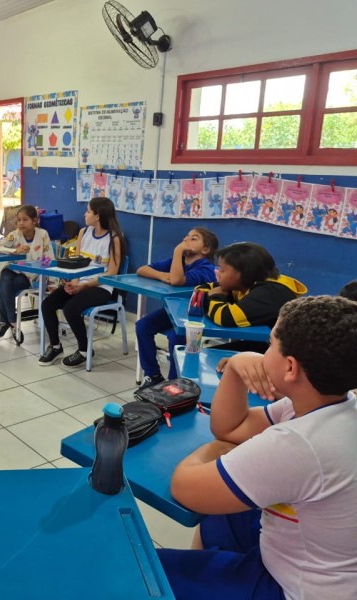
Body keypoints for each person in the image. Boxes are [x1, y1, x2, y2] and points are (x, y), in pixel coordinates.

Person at [157, 296, 357, 600]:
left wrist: (218, 452)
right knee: (221, 514)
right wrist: (236, 369)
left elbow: (184, 487)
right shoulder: (330, 404)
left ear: (290, 367)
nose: (264, 353)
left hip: (293, 589)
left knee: (148, 570)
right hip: (311, 553)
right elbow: (229, 428)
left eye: (271, 343)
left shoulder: (300, 444)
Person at [38, 197, 126, 367]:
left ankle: (85, 351)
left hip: (101, 286)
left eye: (88, 211)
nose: (85, 215)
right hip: (80, 282)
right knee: (48, 304)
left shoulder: (114, 238)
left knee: (71, 309)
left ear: (98, 216)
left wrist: (84, 285)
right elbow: (77, 264)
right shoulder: (83, 233)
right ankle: (55, 346)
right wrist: (73, 283)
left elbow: (111, 274)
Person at [135, 228, 219, 388]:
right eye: (186, 236)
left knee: (176, 338)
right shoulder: (178, 262)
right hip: (175, 312)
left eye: (193, 238)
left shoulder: (205, 268)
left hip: (197, 318)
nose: (186, 240)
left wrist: (177, 251)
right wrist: (162, 275)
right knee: (143, 326)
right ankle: (152, 375)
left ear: (205, 249)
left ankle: (174, 383)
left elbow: (176, 280)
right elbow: (142, 269)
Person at [196, 242, 306, 333]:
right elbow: (200, 290)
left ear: (243, 273)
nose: (218, 273)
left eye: (222, 270)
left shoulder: (269, 293)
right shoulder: (244, 285)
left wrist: (215, 296)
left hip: (285, 354)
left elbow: (225, 317)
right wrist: (210, 296)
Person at [0, 205, 54, 341]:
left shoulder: (43, 235)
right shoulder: (15, 235)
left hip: (29, 276)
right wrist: (14, 251)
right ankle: (13, 322)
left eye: (25, 220)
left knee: (0, 291)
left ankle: (5, 321)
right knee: (5, 277)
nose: (20, 223)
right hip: (12, 270)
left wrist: (53, 281)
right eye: (18, 220)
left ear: (34, 221)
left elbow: (50, 259)